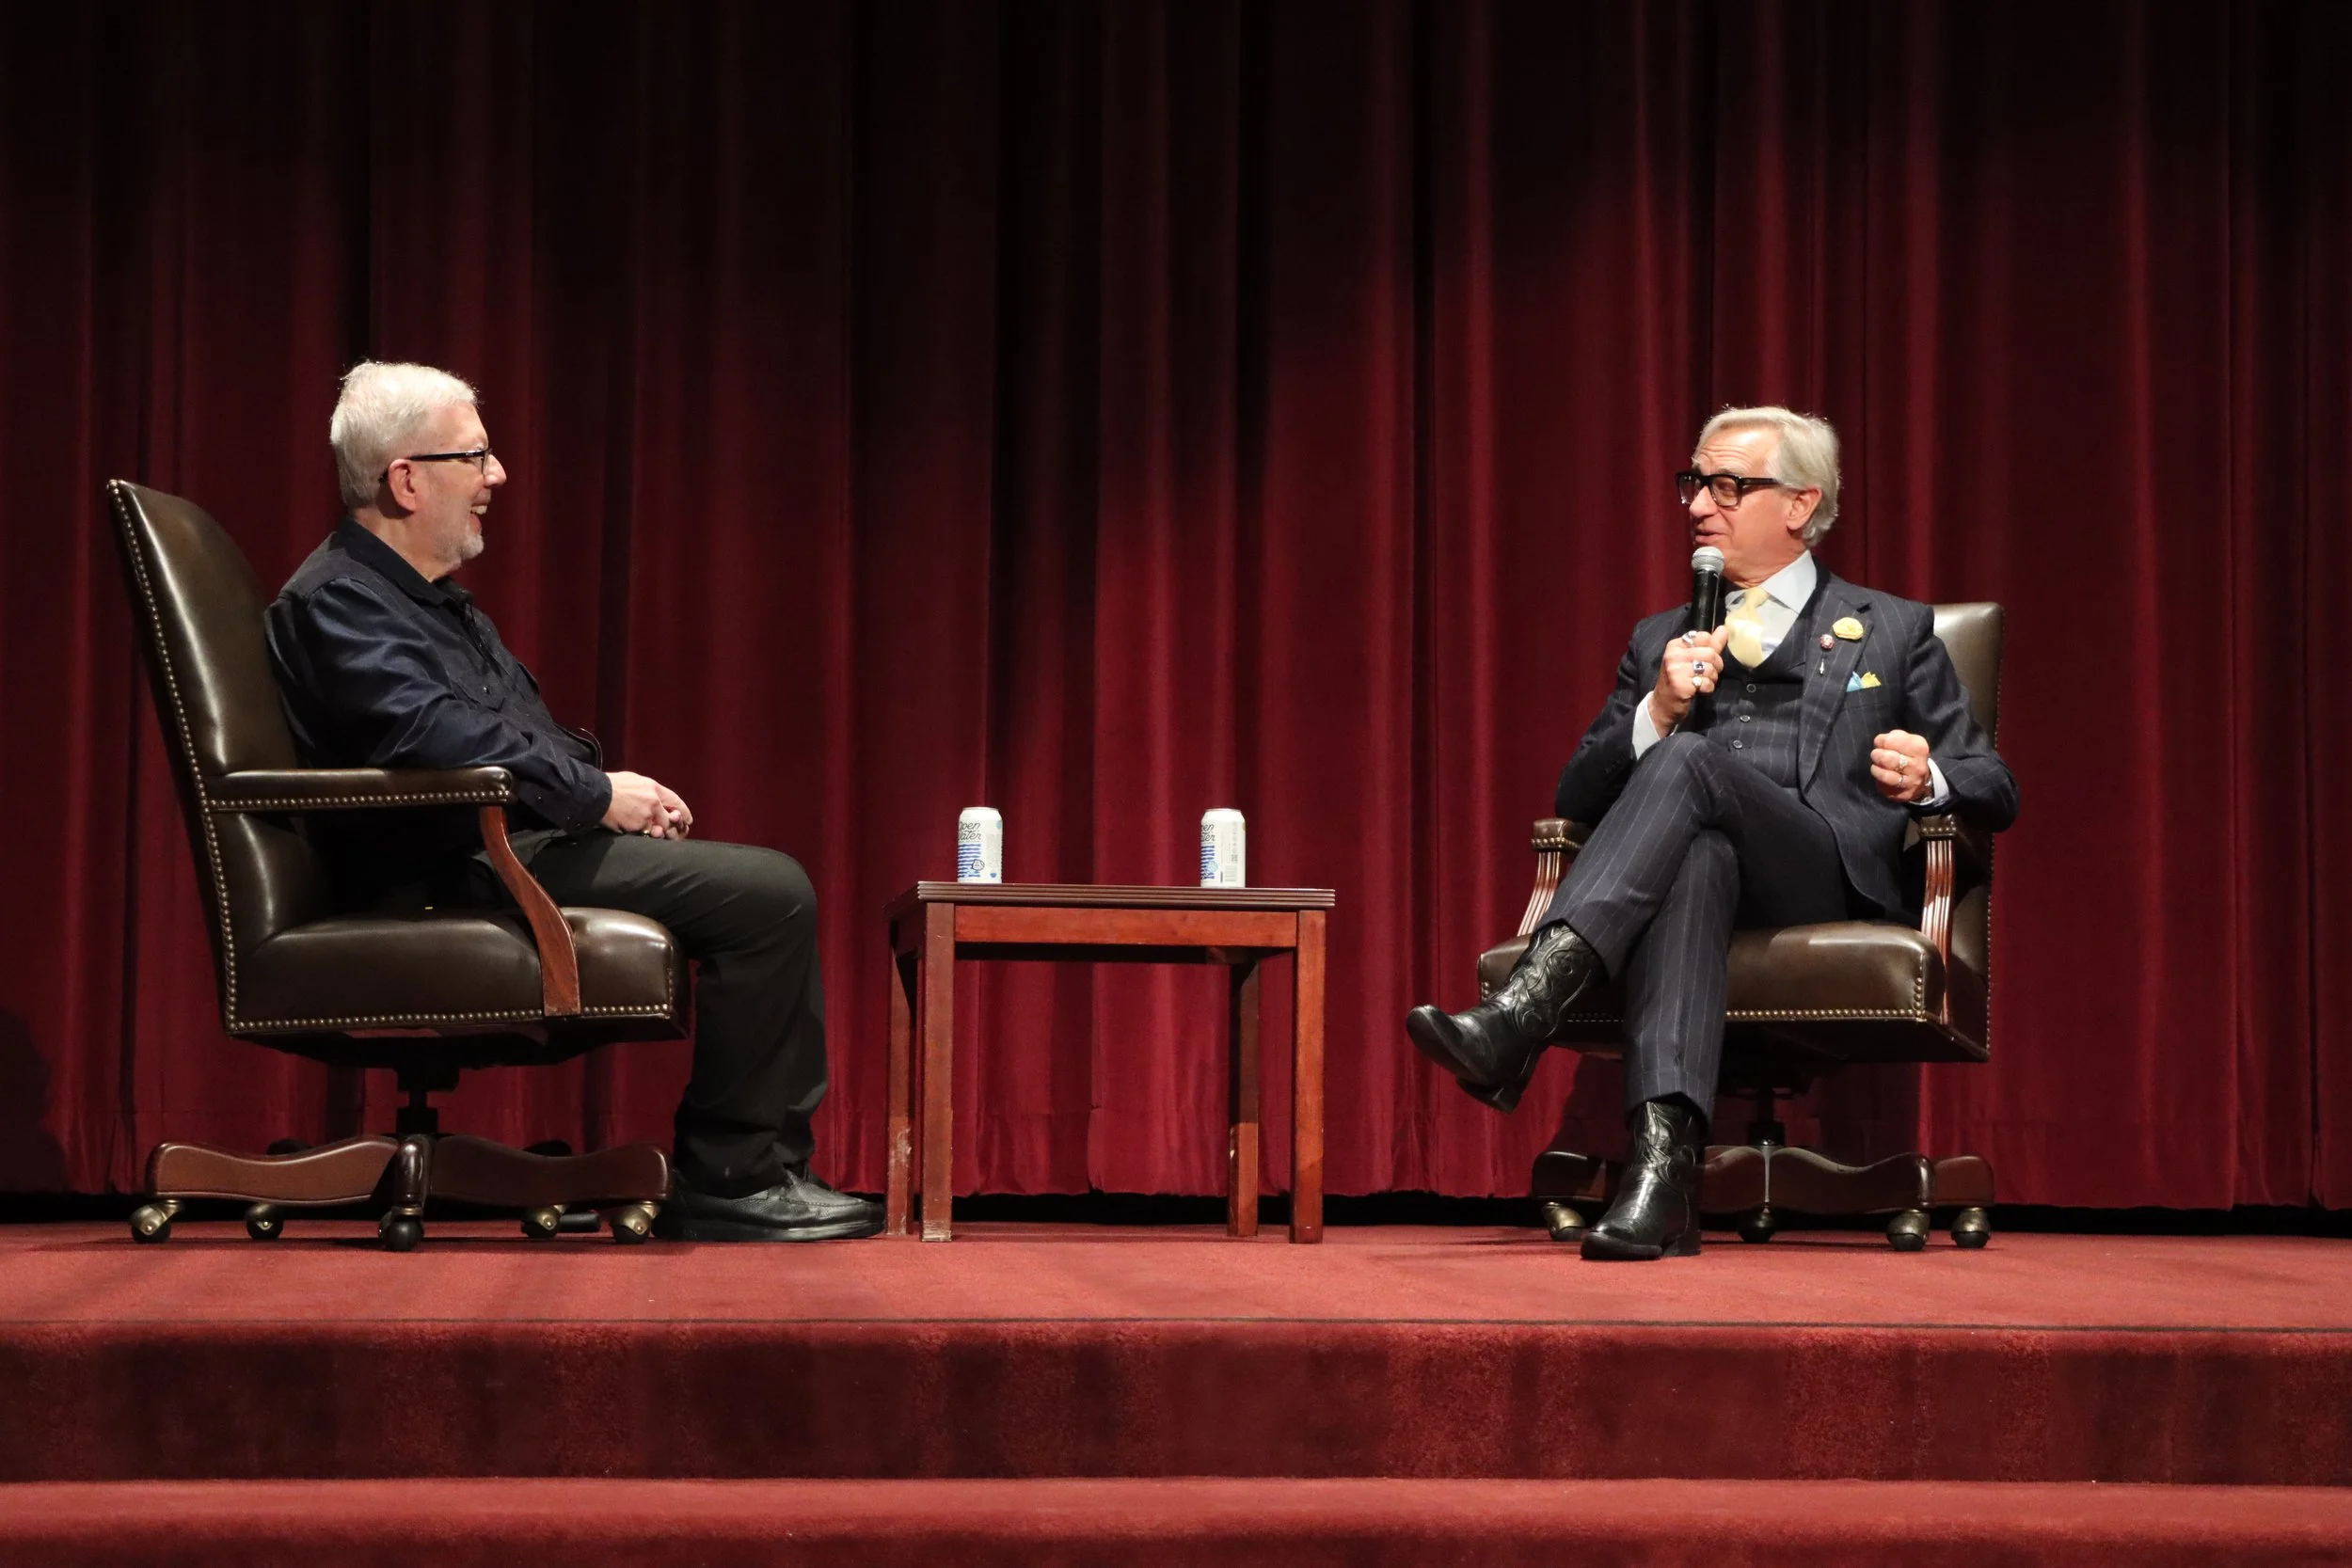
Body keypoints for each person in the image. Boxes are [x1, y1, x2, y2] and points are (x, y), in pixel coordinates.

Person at [264, 360, 881, 1242]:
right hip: (444, 869)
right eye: (475, 455)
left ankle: (764, 1167)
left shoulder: (430, 604)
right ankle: (735, 1180)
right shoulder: (339, 603)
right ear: (405, 479)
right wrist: (594, 798)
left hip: (492, 847)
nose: (498, 476)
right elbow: (433, 737)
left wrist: (621, 792)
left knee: (760, 883)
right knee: (770, 894)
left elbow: (508, 731)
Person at [1406, 405, 2016, 1261]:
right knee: (1697, 851)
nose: (1699, 505)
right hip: (1703, 874)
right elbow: (1574, 791)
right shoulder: (1662, 637)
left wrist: (1930, 775)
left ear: (1801, 505)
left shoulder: (1893, 628)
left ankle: (1524, 1013)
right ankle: (1663, 1179)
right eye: (1695, 484)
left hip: (1822, 872)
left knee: (1692, 767)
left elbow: (1995, 784)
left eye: (1728, 486)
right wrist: (1659, 707)